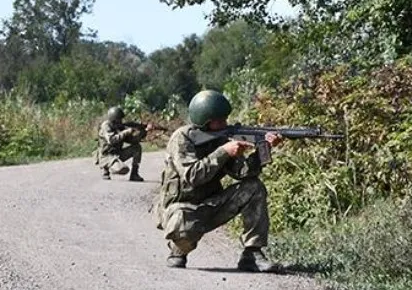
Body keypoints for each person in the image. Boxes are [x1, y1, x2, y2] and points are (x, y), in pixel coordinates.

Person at [155, 89, 284, 272]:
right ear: (205, 120)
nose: (225, 123)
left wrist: (263, 150)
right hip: (181, 207)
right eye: (220, 120)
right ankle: (178, 250)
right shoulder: (182, 138)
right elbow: (193, 176)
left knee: (254, 188)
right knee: (185, 227)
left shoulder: (222, 137)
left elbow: (243, 173)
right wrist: (224, 152)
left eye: (225, 118)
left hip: (211, 204)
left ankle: (252, 254)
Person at [95, 106, 146, 181]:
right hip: (106, 156)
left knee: (136, 148)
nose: (121, 121)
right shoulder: (106, 126)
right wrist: (126, 132)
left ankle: (134, 174)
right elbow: (112, 140)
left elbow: (132, 141)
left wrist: (142, 132)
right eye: (119, 119)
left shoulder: (120, 127)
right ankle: (107, 168)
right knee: (123, 169)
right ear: (114, 119)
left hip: (117, 154)